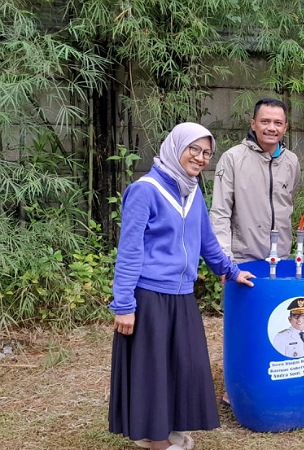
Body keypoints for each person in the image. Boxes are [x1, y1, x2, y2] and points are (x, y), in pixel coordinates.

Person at [108, 122, 256, 450]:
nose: (201, 158)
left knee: (179, 368)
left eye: (206, 153)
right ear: (176, 147)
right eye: (194, 149)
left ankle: (166, 428)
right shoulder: (145, 190)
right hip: (150, 297)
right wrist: (124, 305)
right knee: (153, 373)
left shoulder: (191, 191)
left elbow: (206, 242)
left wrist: (232, 271)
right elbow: (129, 249)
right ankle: (156, 441)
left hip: (182, 296)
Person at [210, 97, 301, 406]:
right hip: (243, 259)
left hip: (282, 258)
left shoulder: (291, 161)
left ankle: (272, 380)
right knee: (244, 327)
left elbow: (289, 202)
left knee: (276, 321)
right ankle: (237, 386)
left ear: (285, 127)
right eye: (265, 121)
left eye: (277, 123)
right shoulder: (232, 159)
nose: (271, 127)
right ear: (253, 123)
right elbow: (220, 212)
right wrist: (224, 261)